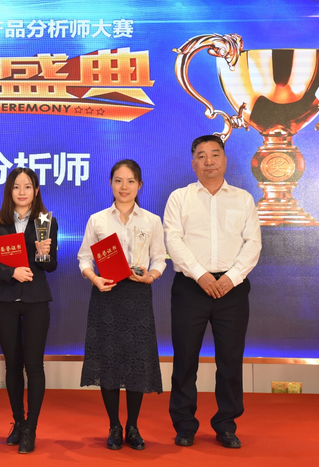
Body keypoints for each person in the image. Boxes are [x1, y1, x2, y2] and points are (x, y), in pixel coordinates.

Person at [164, 135, 261, 449]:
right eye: (202, 156)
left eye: (215, 154)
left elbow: (253, 244)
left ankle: (226, 425)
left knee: (230, 361)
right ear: (193, 162)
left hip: (232, 290)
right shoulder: (179, 198)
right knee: (185, 360)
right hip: (190, 288)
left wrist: (230, 278)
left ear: (225, 160)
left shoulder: (243, 199)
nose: (209, 161)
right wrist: (201, 275)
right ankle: (184, 425)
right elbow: (173, 240)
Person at [77, 159, 165, 451]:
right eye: (118, 180)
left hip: (138, 295)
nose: (124, 187)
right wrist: (94, 278)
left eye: (130, 181)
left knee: (137, 361)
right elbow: (84, 258)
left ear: (139, 185)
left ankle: (133, 426)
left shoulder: (151, 220)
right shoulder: (98, 220)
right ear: (110, 184)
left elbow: (160, 258)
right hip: (107, 294)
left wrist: (152, 275)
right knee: (109, 360)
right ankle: (114, 425)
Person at [0, 168, 58, 454]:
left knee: (34, 366)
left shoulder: (46, 222)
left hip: (36, 301)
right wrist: (11, 272)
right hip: (5, 301)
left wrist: (44, 254)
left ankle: (31, 428)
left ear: (36, 191)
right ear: (9, 191)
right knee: (12, 365)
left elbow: (51, 265)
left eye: (27, 186)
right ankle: (19, 423)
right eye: (16, 186)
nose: (22, 192)